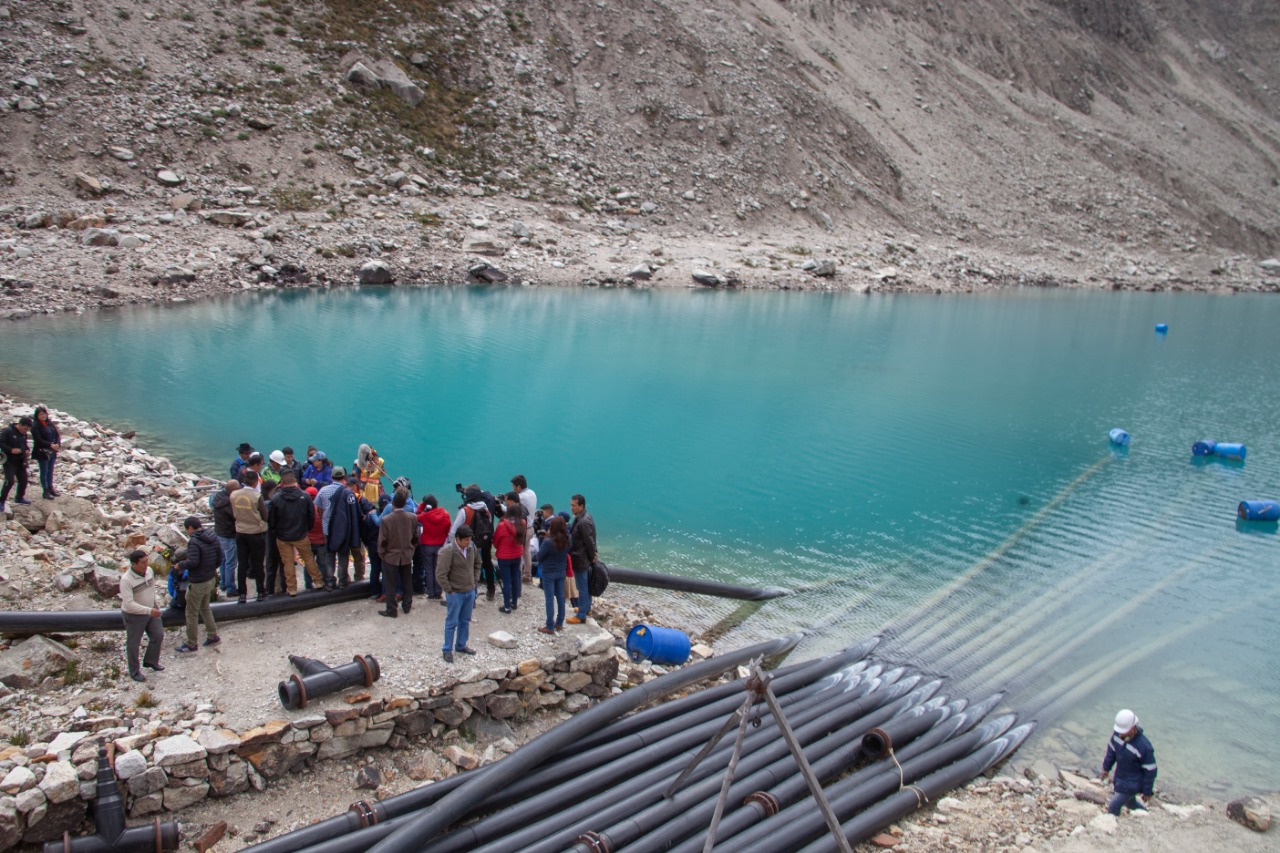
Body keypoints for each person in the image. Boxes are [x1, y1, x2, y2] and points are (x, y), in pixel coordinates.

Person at [268, 470, 328, 593]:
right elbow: (311, 515)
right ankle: (318, 581)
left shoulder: (276, 499)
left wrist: (276, 531)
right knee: (309, 559)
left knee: (288, 563)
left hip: (283, 536)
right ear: (295, 481)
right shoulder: (304, 496)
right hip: (301, 534)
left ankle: (292, 588)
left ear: (282, 482)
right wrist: (307, 528)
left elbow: (272, 520)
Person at [174, 517, 221, 654]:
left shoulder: (194, 541)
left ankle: (191, 643)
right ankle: (212, 635)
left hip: (198, 581)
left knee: (191, 613)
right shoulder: (212, 536)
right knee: (205, 608)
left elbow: (193, 562)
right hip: (210, 578)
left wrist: (180, 565)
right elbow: (219, 557)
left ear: (190, 528)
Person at [1100, 709, 1157, 816]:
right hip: (1120, 779)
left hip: (1133, 784)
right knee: (1130, 803)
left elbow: (1150, 771)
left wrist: (1147, 791)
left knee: (1114, 805)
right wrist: (1106, 768)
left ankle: (1112, 822)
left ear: (1133, 728)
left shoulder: (1144, 747)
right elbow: (1111, 752)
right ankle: (1147, 815)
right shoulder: (1117, 736)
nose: (1121, 734)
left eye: (1124, 731)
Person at [437, 524, 481, 662]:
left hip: (469, 591)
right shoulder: (448, 551)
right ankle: (447, 649)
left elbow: (477, 564)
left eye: (469, 539)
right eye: (465, 540)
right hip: (456, 593)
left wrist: (475, 580)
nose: (468, 542)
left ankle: (461, 645)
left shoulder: (472, 548)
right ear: (458, 539)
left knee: (465, 620)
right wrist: (449, 590)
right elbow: (441, 574)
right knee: (452, 621)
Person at [120, 549, 164, 682]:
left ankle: (151, 661)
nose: (146, 564)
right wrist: (148, 610)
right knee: (134, 644)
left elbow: (151, 590)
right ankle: (134, 671)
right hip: (134, 615)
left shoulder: (149, 571)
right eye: (143, 562)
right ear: (133, 564)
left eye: (147, 561)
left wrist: (154, 605)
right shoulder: (126, 580)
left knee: (158, 635)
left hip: (151, 609)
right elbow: (128, 604)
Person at [377, 488, 421, 618]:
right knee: (407, 581)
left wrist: (383, 554)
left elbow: (382, 541)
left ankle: (391, 609)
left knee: (390, 584)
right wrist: (411, 549)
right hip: (407, 554)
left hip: (391, 556)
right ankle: (407, 606)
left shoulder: (386, 520)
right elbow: (415, 536)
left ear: (393, 504)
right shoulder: (413, 517)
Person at [230, 469, 269, 602]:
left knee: (242, 563)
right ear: (255, 482)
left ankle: (242, 594)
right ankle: (261, 592)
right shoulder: (257, 497)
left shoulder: (234, 495)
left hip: (240, 531)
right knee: (258, 563)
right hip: (255, 532)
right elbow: (265, 515)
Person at [536, 515, 570, 634]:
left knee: (549, 598)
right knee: (560, 596)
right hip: (561, 571)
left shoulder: (548, 541)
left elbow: (539, 556)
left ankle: (549, 625)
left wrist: (543, 539)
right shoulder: (567, 539)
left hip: (548, 571)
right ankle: (560, 622)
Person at [566, 494, 597, 624]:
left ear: (581, 506)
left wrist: (592, 556)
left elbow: (589, 542)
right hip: (582, 557)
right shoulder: (583, 517)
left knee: (582, 586)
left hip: (581, 558)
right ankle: (586, 608)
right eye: (571, 505)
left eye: (574, 505)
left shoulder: (583, 522)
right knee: (585, 585)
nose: (571, 508)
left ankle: (581, 615)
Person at [494, 493, 526, 613]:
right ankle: (514, 603)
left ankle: (506, 606)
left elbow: (496, 541)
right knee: (515, 578)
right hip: (517, 554)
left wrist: (498, 548)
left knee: (506, 581)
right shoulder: (522, 523)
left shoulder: (502, 525)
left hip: (504, 556)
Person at [208, 479, 241, 596]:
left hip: (219, 532)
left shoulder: (217, 498)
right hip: (229, 534)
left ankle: (223, 583)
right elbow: (235, 516)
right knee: (231, 563)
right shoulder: (229, 502)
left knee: (223, 560)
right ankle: (231, 588)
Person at [415, 495, 451, 600]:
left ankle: (430, 593)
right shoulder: (445, 514)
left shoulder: (425, 515)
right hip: (440, 545)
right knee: (438, 569)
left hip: (426, 545)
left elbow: (415, 516)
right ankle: (438, 592)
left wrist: (421, 506)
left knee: (428, 570)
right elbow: (448, 528)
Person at [0, 415, 33, 513]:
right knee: (9, 481)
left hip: (21, 460)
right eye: (25, 428)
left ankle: (19, 497)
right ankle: (1, 501)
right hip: (9, 461)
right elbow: (1, 442)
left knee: (24, 480)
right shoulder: (8, 431)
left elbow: (25, 445)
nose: (26, 431)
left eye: (28, 429)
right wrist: (10, 450)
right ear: (20, 425)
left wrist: (27, 450)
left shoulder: (24, 434)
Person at [511, 475, 537, 583]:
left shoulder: (521, 497)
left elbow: (511, 509)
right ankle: (527, 575)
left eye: (513, 486)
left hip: (523, 528)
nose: (513, 488)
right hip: (531, 527)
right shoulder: (532, 493)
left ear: (518, 486)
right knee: (526, 552)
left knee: (518, 552)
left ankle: (517, 575)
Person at [31, 406, 61, 499]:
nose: (43, 416)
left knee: (50, 470)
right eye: (40, 414)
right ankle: (46, 491)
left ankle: (51, 487)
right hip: (42, 452)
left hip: (52, 451)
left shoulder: (49, 423)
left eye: (44, 414)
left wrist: (58, 444)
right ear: (37, 416)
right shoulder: (35, 426)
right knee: (44, 471)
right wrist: (50, 445)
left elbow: (57, 434)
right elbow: (38, 440)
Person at [305, 486, 330, 587]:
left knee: (308, 564)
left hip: (308, 541)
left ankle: (308, 585)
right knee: (322, 563)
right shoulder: (322, 508)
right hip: (321, 541)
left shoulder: (305, 509)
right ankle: (324, 583)